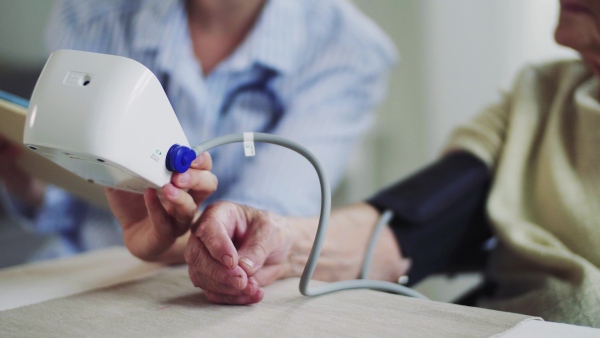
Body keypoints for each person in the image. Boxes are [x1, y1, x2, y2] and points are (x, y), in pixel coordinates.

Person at [178, 0, 600, 327]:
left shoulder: (346, 47)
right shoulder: (541, 97)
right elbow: (409, 226)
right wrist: (280, 240)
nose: (563, 28)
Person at [0, 0, 396, 261]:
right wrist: (23, 176)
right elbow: (69, 200)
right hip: (80, 265)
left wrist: (171, 241)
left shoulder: (347, 50)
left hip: (221, 290)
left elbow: (259, 232)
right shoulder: (89, 13)